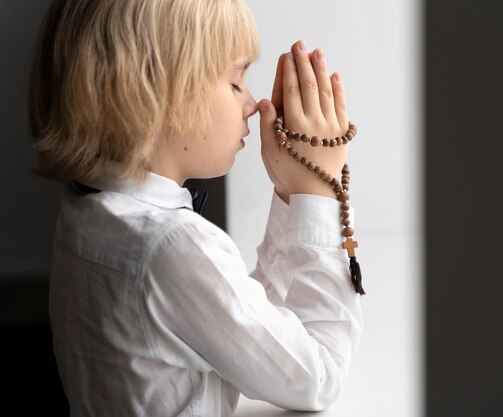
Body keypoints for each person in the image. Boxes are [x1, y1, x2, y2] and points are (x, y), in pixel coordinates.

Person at [28, 0, 363, 416]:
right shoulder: (170, 247)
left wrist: (288, 193)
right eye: (236, 81)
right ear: (156, 92)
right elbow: (320, 376)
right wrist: (320, 195)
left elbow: (243, 326)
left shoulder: (89, 211)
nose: (253, 104)